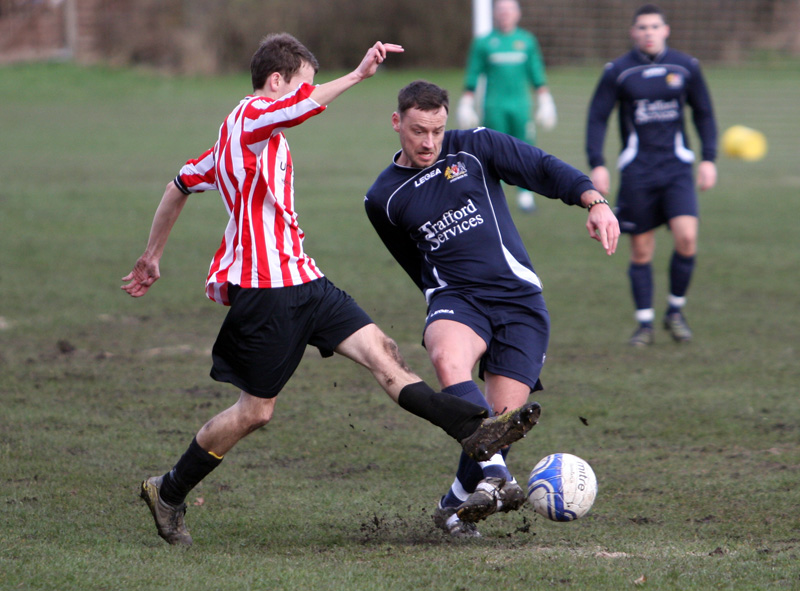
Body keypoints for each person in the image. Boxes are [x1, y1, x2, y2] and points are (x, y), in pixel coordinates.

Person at [121, 34, 542, 547]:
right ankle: (168, 491)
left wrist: (152, 254)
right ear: (276, 81)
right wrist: (359, 75)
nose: (308, 92)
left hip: (306, 280)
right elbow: (297, 109)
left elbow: (180, 184)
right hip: (268, 291)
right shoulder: (251, 116)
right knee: (255, 412)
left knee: (385, 356)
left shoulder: (244, 141)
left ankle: (477, 431)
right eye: (303, 84)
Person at [364, 80, 619, 537]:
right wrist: (440, 303)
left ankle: (453, 506)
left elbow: (541, 167)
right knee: (447, 357)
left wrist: (594, 201)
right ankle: (500, 478)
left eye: (438, 130)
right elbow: (413, 263)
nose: (429, 142)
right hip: (458, 298)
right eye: (418, 131)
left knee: (500, 423)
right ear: (396, 122)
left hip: (519, 301)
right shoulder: (382, 198)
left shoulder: (476, 147)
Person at [585, 4, 718, 346]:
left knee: (687, 238)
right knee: (642, 250)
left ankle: (675, 311)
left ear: (666, 30)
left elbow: (704, 113)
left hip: (677, 169)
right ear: (633, 32)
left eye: (654, 26)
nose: (648, 32)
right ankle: (644, 324)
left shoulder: (686, 67)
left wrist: (709, 158)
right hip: (638, 172)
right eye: (642, 27)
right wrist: (597, 162)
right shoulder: (618, 71)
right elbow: (597, 117)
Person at [457, 0, 557, 213]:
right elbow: (473, 73)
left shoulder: (527, 41)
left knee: (525, 149)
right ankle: (492, 194)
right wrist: (466, 102)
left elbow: (536, 72)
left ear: (517, 13)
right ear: (495, 13)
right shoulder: (484, 43)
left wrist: (545, 100)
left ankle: (525, 194)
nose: (505, 14)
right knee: (492, 150)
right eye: (501, 10)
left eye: (509, 10)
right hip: (494, 106)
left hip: (521, 106)